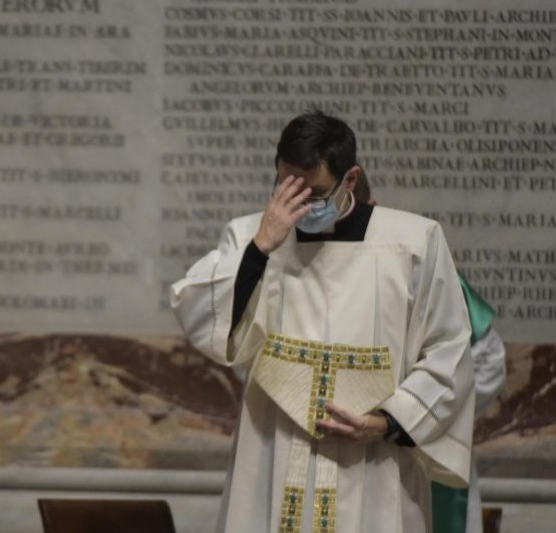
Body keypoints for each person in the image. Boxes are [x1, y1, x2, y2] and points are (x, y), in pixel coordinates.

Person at [170, 111, 475, 533]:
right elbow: (201, 313)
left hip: (373, 461)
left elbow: (450, 349)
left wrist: (388, 422)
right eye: (285, 186)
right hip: (272, 451)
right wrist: (261, 247)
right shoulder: (250, 237)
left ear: (350, 180)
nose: (297, 204)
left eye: (312, 193)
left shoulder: (413, 243)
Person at [353, 170, 507, 533]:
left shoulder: (422, 263)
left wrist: (415, 414)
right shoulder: (307, 271)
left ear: (373, 208)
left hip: (421, 450)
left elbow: (487, 363)